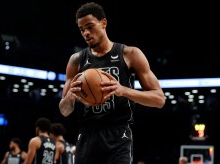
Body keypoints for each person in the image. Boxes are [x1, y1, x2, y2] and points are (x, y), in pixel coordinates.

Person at [58, 2, 166, 164]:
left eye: (90, 26)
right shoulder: (76, 61)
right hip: (88, 134)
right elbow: (64, 110)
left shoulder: (130, 54)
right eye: (82, 30)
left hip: (118, 133)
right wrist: (70, 97)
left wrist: (123, 90)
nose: (86, 33)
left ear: (103, 23)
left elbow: (159, 99)